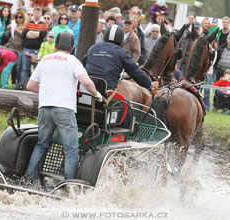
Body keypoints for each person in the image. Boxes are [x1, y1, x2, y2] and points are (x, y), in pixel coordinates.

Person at [25, 31, 102, 183]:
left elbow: (30, 86)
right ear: (73, 48)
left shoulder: (45, 59)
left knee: (41, 145)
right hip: (64, 109)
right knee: (71, 149)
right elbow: (86, 82)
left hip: (45, 108)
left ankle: (30, 180)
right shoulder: (73, 61)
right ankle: (68, 185)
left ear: (55, 46)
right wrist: (98, 95)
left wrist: (47, 90)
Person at [82, 24, 154, 92]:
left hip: (86, 89)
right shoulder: (122, 52)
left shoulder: (94, 47)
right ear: (121, 39)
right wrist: (150, 85)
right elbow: (135, 72)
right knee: (128, 104)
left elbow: (83, 64)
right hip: (106, 92)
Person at [19, 6, 48, 89]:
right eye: (35, 12)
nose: (37, 14)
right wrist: (37, 34)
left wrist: (31, 32)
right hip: (27, 49)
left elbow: (42, 35)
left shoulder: (43, 25)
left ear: (41, 14)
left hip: (38, 50)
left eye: (39, 13)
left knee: (37, 70)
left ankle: (36, 87)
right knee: (25, 69)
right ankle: (23, 86)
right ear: (33, 13)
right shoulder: (28, 23)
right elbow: (24, 34)